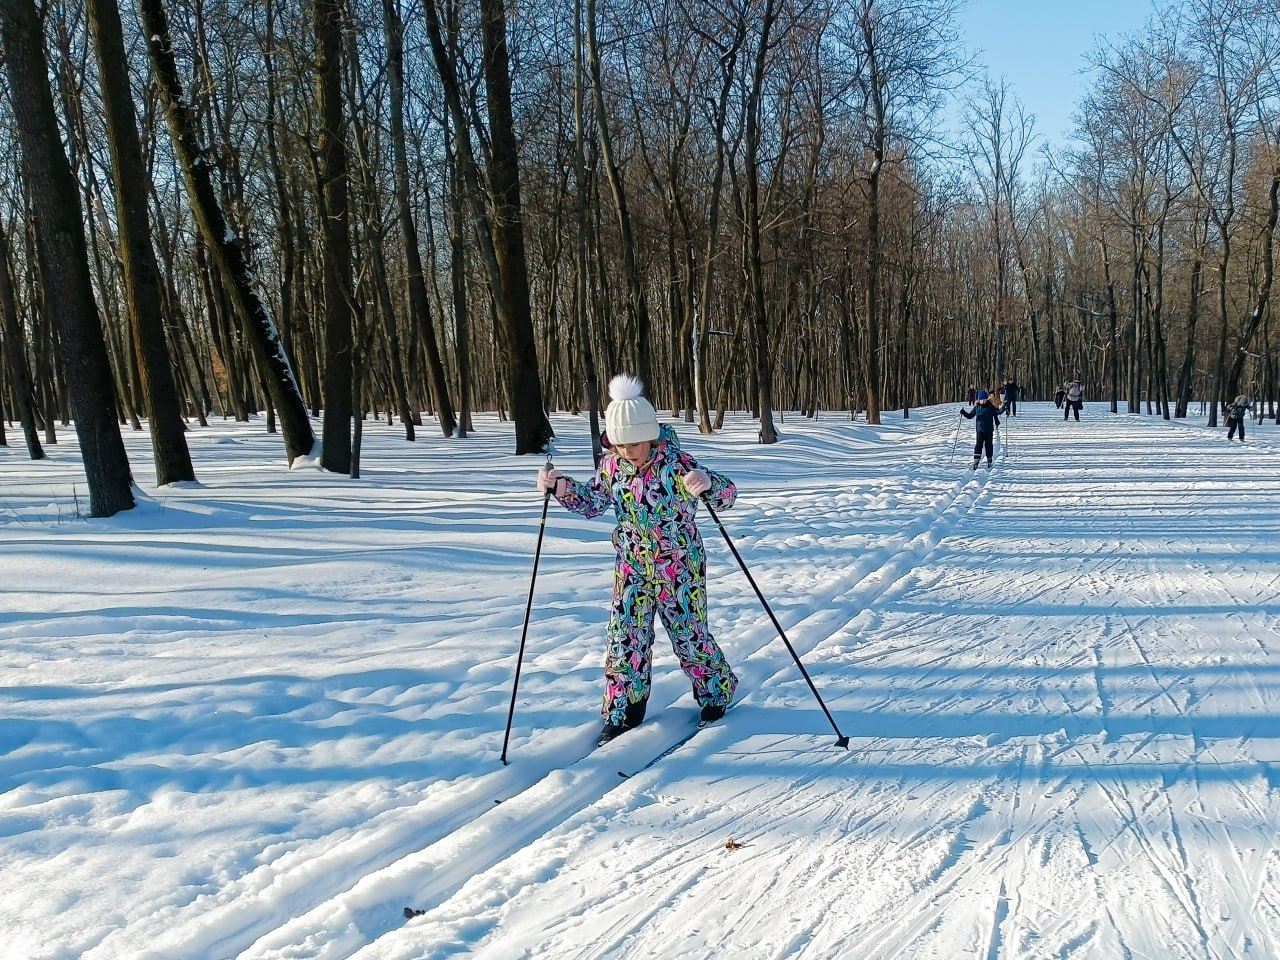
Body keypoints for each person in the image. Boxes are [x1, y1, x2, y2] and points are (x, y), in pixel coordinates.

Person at [537, 374, 738, 746]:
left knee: (689, 634)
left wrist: (707, 483)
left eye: (634, 443)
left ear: (651, 436)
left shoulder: (676, 464)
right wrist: (561, 486)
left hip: (679, 565)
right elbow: (593, 502)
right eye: (620, 444)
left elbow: (727, 494)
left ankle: (715, 691)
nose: (628, 451)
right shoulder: (611, 467)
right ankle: (624, 709)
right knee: (625, 637)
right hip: (631, 566)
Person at [960, 389, 1002, 469]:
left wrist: (1004, 408)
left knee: (989, 445)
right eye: (981, 399)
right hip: (980, 430)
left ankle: (989, 460)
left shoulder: (990, 407)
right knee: (978, 445)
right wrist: (963, 412)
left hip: (989, 430)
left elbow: (998, 412)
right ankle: (976, 460)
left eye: (984, 399)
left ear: (987, 399)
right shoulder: (977, 408)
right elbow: (970, 416)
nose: (983, 401)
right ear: (979, 400)